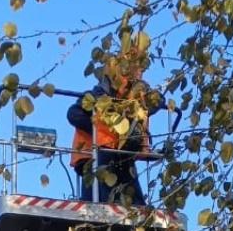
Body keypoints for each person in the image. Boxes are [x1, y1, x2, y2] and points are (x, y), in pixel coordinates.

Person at [67, 50, 162, 205]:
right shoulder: (99, 95)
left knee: (136, 206)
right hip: (94, 157)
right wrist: (109, 130)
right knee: (100, 202)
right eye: (136, 71)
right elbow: (73, 114)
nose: (139, 75)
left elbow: (158, 100)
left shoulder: (134, 99)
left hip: (120, 156)